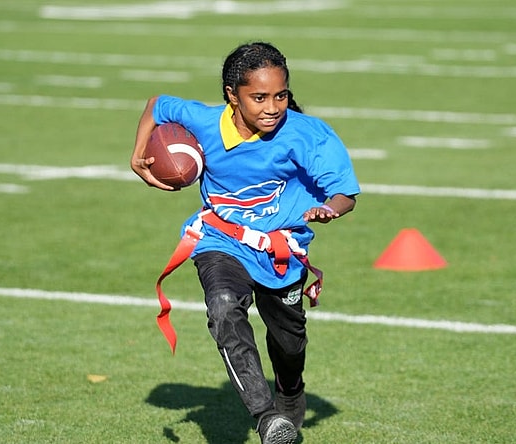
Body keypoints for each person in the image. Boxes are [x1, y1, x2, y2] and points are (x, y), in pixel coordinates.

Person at [130, 41, 360, 444]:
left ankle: (290, 392)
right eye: (259, 97)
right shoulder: (203, 121)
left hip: (280, 251)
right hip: (222, 239)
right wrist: (138, 157)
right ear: (231, 96)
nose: (272, 107)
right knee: (223, 310)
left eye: (281, 95)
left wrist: (331, 209)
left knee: (289, 344)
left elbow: (344, 192)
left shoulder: (306, 134)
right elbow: (156, 104)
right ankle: (266, 417)